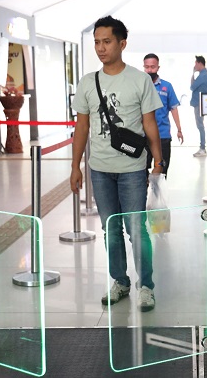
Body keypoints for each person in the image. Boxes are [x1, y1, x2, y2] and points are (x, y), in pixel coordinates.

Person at [70, 16, 164, 311]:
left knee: (137, 229)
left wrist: (158, 161)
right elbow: (82, 128)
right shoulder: (87, 82)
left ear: (122, 44)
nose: (101, 47)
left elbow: (150, 125)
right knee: (111, 229)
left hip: (133, 169)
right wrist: (76, 166)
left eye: (106, 41)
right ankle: (120, 281)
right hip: (100, 169)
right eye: (97, 42)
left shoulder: (139, 80)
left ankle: (145, 285)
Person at [143, 53, 183, 176]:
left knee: (162, 171)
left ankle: (159, 194)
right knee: (141, 171)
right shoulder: (140, 85)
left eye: (153, 67)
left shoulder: (166, 86)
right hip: (143, 136)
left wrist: (179, 129)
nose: (150, 70)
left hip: (163, 135)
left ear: (158, 68)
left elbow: (174, 108)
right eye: (147, 67)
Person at [190, 55, 207, 157]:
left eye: (195, 63)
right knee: (200, 125)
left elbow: (192, 87)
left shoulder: (203, 75)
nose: (195, 65)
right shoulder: (203, 75)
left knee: (200, 126)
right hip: (199, 103)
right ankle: (202, 147)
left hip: (199, 103)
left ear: (199, 63)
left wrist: (193, 74)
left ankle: (202, 148)